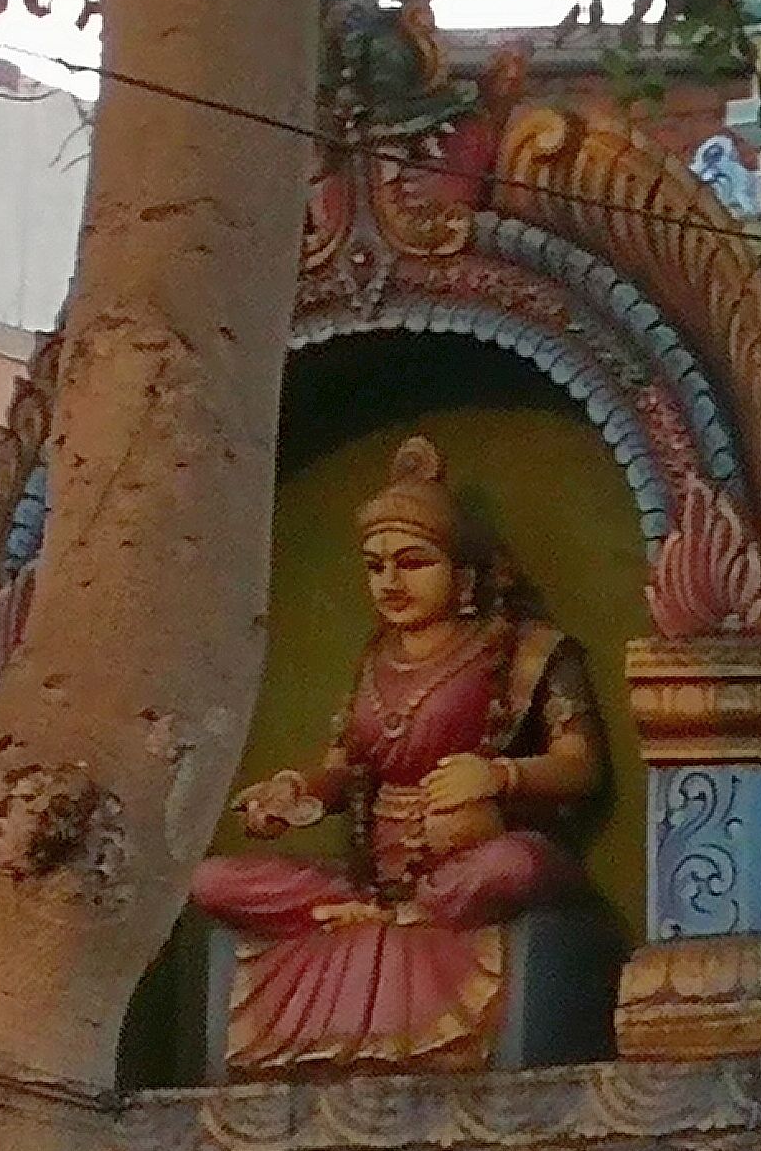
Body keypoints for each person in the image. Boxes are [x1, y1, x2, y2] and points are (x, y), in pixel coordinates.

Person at [190, 438, 607, 1076]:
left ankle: (406, 917)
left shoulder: (529, 652)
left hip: (473, 860)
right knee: (210, 880)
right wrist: (291, 796)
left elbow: (580, 765)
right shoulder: (373, 661)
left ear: (465, 575)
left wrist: (498, 774)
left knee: (514, 865)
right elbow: (342, 769)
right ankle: (386, 915)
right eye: (376, 566)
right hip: (377, 877)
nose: (390, 582)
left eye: (413, 563)